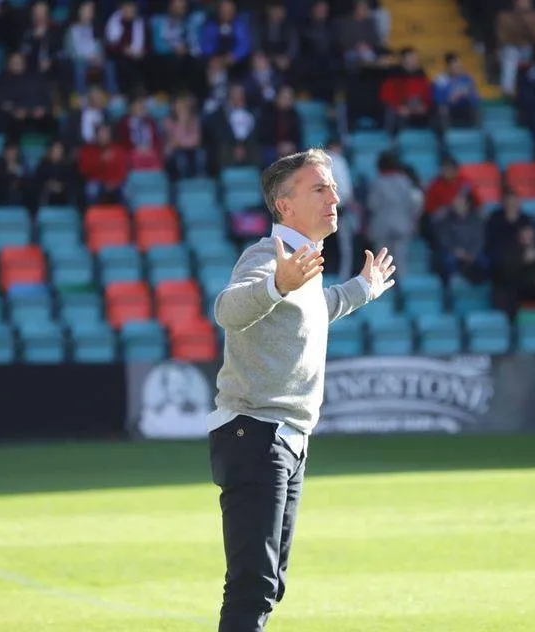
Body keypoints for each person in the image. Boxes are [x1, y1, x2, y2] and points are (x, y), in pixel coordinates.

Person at [208, 148, 396, 632]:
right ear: (284, 206)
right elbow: (228, 310)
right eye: (319, 188)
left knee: (266, 586)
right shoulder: (266, 257)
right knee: (253, 586)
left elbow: (317, 309)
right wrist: (275, 283)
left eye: (332, 186)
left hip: (281, 438)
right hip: (256, 434)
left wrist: (363, 288)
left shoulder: (303, 265)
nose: (334, 195)